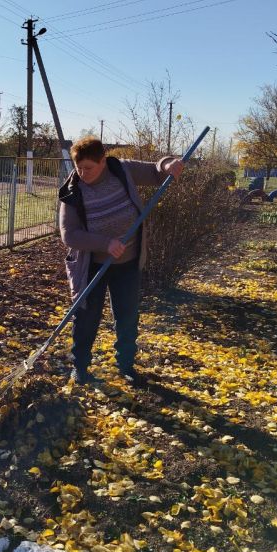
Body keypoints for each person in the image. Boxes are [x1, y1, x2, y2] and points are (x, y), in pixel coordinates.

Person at [58, 137, 184, 385]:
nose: (83, 173)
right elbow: (69, 235)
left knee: (127, 316)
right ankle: (80, 366)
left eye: (89, 168)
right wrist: (104, 243)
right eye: (78, 168)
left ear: (103, 161)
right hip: (92, 266)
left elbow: (154, 171)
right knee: (86, 317)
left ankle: (126, 365)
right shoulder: (72, 191)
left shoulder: (120, 169)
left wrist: (169, 164)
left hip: (128, 262)